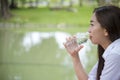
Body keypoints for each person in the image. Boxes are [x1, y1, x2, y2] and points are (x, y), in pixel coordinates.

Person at [63, 5, 120, 80]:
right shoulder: (109, 52)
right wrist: (74, 56)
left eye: (92, 25)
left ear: (106, 31)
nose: (88, 30)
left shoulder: (115, 54)